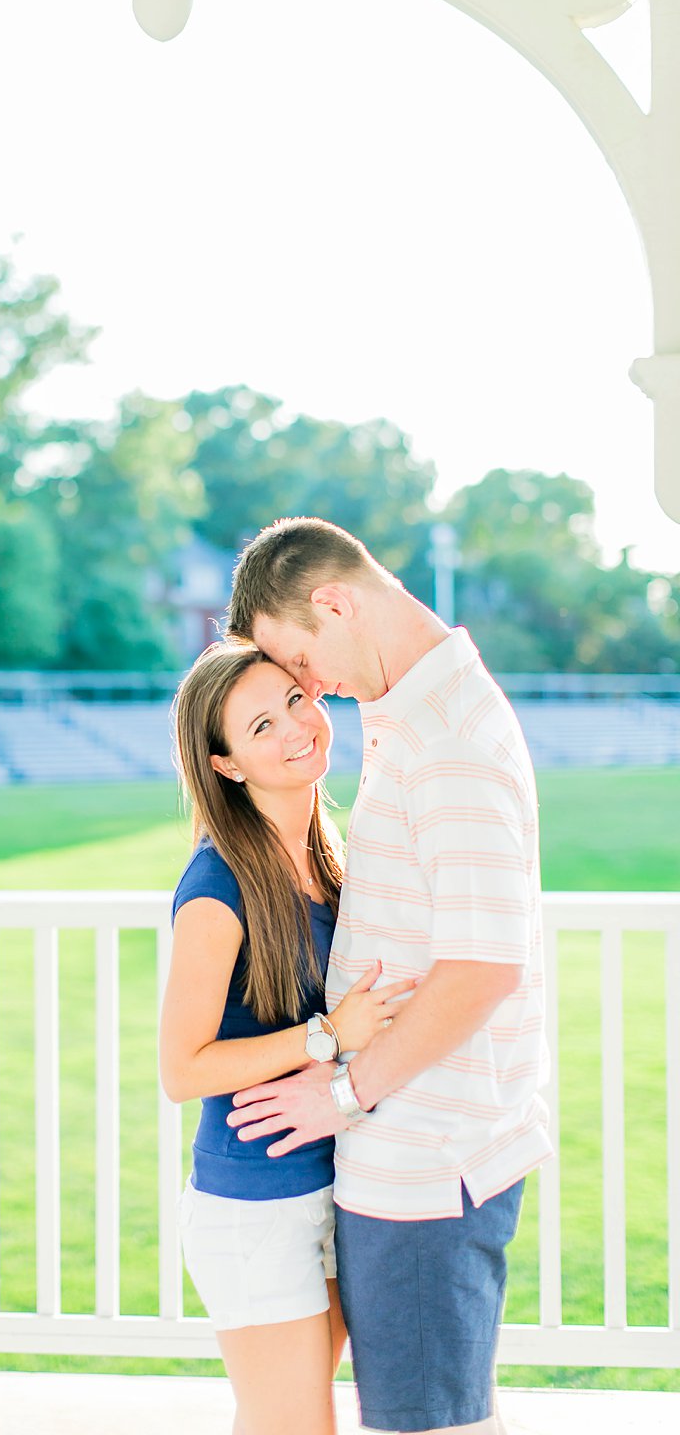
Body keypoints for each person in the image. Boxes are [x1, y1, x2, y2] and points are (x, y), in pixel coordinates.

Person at [223, 516, 549, 1435]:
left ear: (334, 603)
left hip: (428, 1160)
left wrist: (344, 1094)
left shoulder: (448, 742)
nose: (308, 688)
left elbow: (484, 967)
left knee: (425, 1424)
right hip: (407, 1148)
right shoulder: (409, 711)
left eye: (299, 659)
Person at [161, 638, 417, 1435]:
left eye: (296, 702)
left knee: (281, 1420)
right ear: (227, 765)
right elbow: (181, 1069)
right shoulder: (218, 886)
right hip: (254, 1206)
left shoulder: (327, 855)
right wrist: (327, 1037)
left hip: (331, 1184)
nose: (295, 729)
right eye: (260, 726)